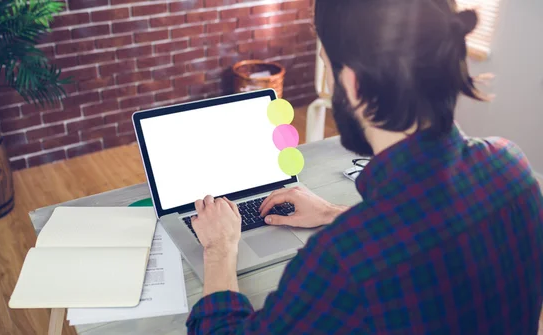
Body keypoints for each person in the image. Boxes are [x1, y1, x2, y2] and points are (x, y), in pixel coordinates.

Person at [186, 0, 543, 333]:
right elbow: (429, 230)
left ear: (353, 82)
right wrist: (333, 213)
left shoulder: (342, 263)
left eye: (327, 64)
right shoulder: (513, 169)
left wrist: (219, 249)